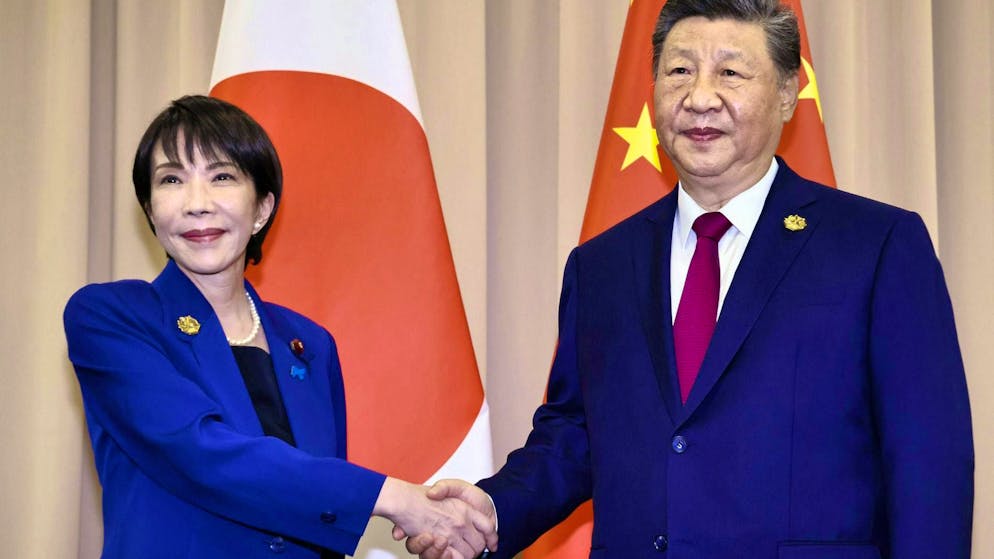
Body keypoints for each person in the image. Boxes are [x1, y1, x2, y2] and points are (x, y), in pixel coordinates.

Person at [405, 0, 974, 557]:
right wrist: (491, 512)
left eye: (730, 72)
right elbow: (576, 435)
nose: (701, 98)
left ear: (785, 93)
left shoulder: (875, 246)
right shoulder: (601, 264)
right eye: (680, 71)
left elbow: (929, 462)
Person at [63, 95, 496, 559]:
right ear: (150, 210)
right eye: (172, 180)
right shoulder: (111, 316)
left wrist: (436, 521)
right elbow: (200, 453)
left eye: (222, 177)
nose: (197, 204)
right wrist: (393, 499)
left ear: (263, 208)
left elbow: (310, 501)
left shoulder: (309, 344)